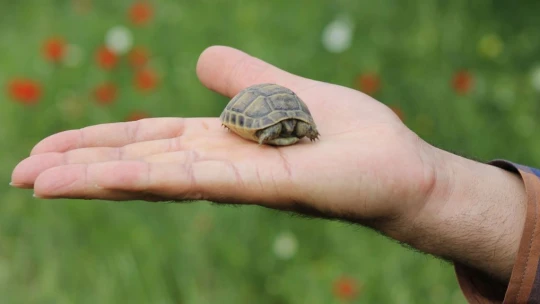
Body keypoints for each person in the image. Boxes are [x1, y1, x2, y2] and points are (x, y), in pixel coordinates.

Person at [9, 46, 540, 303]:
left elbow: (298, 129)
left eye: (289, 130)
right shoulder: (262, 122)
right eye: (282, 131)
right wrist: (440, 192)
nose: (284, 135)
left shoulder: (295, 126)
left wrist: (433, 188)